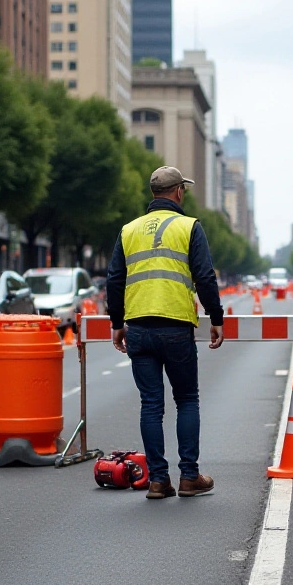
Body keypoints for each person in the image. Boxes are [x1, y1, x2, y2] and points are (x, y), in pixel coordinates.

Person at [107, 166, 225, 499]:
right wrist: (216, 317)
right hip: (175, 326)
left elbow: (115, 279)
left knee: (151, 405)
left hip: (139, 328)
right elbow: (204, 275)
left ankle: (158, 480)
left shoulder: (128, 230)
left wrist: (117, 324)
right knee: (187, 399)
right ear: (177, 192)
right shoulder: (189, 227)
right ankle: (189, 476)